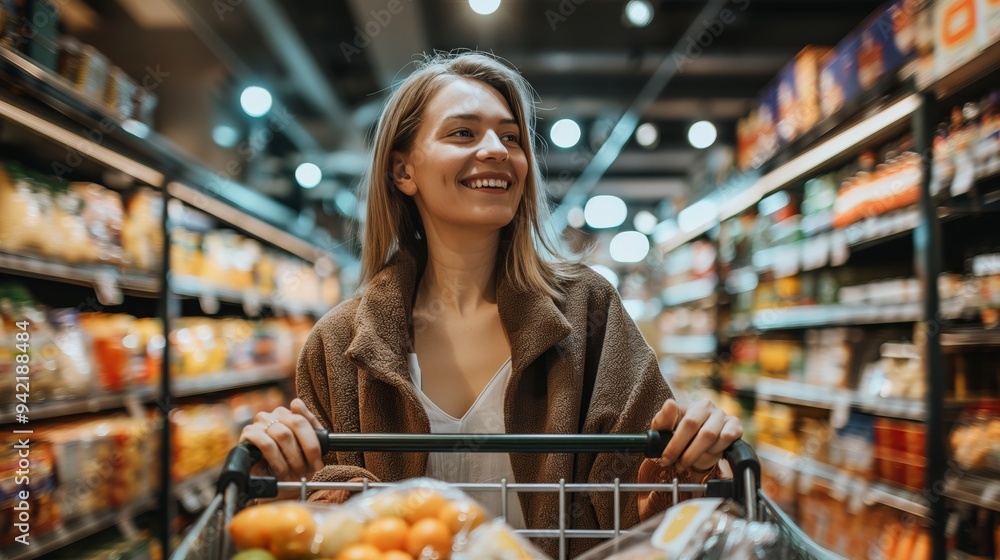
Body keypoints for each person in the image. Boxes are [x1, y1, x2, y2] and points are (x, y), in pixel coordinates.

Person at [239, 51, 743, 557]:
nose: (497, 151)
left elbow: (644, 505)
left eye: (511, 137)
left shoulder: (588, 312)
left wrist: (689, 457)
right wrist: (289, 470)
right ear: (402, 170)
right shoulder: (339, 343)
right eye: (463, 133)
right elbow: (331, 522)